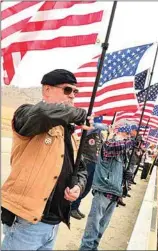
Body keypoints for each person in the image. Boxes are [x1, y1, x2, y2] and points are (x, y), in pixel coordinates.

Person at [1, 69, 94, 250]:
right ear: (47, 90)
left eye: (76, 92)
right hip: (26, 222)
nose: (72, 96)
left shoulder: (69, 131)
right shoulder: (27, 114)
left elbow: (80, 168)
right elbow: (43, 114)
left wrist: (78, 186)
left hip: (53, 224)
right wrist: (80, 115)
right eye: (68, 90)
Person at [79, 124, 135, 250]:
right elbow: (113, 146)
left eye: (128, 136)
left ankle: (94, 247)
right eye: (125, 135)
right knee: (93, 224)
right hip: (103, 190)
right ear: (118, 132)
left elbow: (119, 169)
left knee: (103, 225)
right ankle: (86, 248)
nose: (127, 138)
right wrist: (131, 142)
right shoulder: (109, 145)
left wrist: (125, 175)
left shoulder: (122, 153)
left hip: (115, 193)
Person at [70, 121, 108, 220]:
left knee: (87, 187)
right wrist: (107, 126)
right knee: (81, 184)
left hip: (94, 162)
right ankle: (72, 207)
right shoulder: (91, 130)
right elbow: (97, 126)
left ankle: (76, 206)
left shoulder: (100, 135)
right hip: (86, 161)